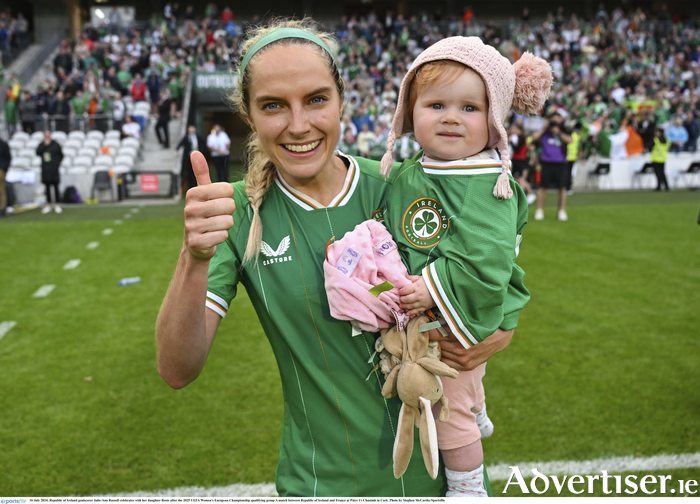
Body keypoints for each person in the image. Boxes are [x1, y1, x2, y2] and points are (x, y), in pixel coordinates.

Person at [155, 20, 515, 498]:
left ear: (342, 100)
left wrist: (502, 329)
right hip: (322, 486)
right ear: (250, 114)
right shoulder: (240, 215)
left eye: (317, 99)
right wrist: (193, 257)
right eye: (273, 106)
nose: (298, 124)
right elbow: (178, 369)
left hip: (443, 484)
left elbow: (494, 264)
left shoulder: (400, 184)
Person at [377, 37, 550, 497]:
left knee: (444, 411)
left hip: (451, 325)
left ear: (493, 122)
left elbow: (488, 260)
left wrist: (431, 288)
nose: (451, 117)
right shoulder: (421, 168)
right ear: (409, 111)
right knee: (462, 394)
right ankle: (478, 405)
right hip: (443, 318)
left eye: (470, 108)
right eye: (436, 104)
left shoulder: (484, 183)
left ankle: (470, 487)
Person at [532, 109, 572, 221]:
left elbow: (570, 140)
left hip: (561, 162)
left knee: (562, 187)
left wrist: (558, 132)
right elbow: (534, 138)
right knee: (543, 187)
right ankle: (539, 210)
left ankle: (562, 211)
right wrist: (545, 127)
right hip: (547, 162)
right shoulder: (545, 131)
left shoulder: (563, 129)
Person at [36, 130, 64, 214]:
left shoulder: (56, 144)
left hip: (54, 169)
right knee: (47, 187)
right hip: (46, 169)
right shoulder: (42, 144)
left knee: (56, 187)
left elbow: (61, 155)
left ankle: (57, 204)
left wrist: (56, 163)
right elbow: (38, 152)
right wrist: (45, 144)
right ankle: (48, 204)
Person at [175, 125, 207, 191]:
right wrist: (176, 150)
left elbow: (203, 143)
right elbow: (181, 143)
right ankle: (191, 187)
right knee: (190, 172)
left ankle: (197, 186)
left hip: (197, 156)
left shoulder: (198, 137)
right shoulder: (186, 137)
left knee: (197, 171)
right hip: (189, 157)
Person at [650, 127, 671, 191]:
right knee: (662, 173)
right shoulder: (667, 140)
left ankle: (659, 186)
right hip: (663, 159)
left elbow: (650, 146)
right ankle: (666, 186)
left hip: (656, 159)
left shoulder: (655, 140)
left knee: (658, 173)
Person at [0, 134, 10, 217]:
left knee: (1, 190)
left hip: (1, 169)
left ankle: (3, 209)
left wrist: (4, 168)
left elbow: (8, 157)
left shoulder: (3, 144)